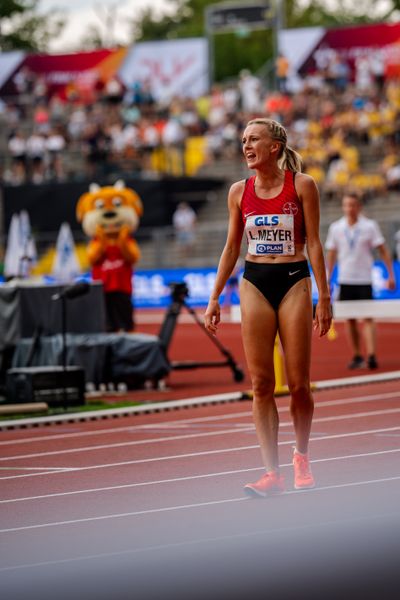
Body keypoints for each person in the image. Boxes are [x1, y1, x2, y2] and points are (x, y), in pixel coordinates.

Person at [204, 117, 332, 497]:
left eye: (253, 139)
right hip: (254, 281)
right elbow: (231, 247)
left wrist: (324, 297)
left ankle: (302, 456)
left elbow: (314, 244)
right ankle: (271, 472)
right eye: (243, 140)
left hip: (294, 279)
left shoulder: (302, 185)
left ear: (274, 147)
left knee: (298, 385)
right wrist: (214, 297)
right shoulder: (237, 192)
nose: (246, 146)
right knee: (261, 384)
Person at [325, 192, 396, 370]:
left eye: (353, 205)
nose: (350, 209)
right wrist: (327, 278)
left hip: (364, 279)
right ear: (343, 207)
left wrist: (391, 275)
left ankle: (371, 355)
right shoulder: (336, 227)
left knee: (368, 317)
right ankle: (357, 355)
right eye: (347, 205)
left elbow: (383, 250)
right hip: (345, 279)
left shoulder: (369, 226)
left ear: (359, 207)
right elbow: (331, 254)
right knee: (350, 319)